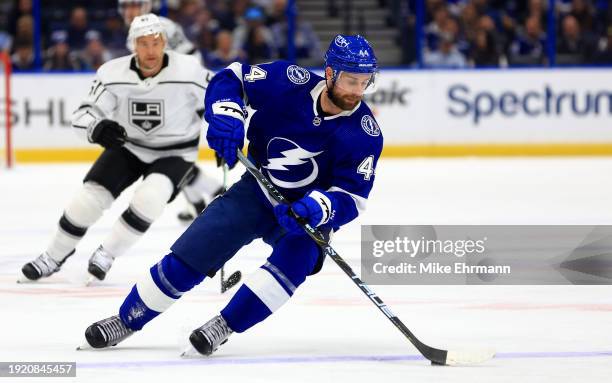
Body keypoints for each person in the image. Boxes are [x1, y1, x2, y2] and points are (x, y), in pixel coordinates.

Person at [82, 34, 383, 356]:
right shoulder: (288, 81)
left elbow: (352, 197)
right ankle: (127, 319)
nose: (357, 91)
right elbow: (232, 79)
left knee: (298, 260)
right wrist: (227, 114)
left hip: (303, 214)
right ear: (330, 74)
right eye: (351, 80)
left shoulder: (364, 135)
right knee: (196, 248)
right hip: (256, 190)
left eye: (365, 82)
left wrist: (318, 208)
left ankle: (225, 325)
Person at [21, 14, 214, 282]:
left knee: (150, 199)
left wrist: (225, 123)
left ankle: (107, 253)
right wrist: (97, 128)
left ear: (165, 43)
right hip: (130, 146)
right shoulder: (112, 73)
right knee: (86, 201)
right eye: (143, 43)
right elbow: (84, 113)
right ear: (132, 45)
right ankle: (53, 256)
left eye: (156, 43)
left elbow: (220, 95)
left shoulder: (189, 70)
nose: (150, 50)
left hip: (176, 152)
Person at [118, 0, 223, 222]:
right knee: (171, 153)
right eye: (126, 6)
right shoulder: (137, 30)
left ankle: (215, 191)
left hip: (184, 97)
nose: (130, 11)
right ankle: (199, 202)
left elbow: (190, 56)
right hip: (173, 98)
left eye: (135, 6)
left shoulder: (160, 26)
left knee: (168, 153)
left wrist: (191, 95)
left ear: (146, 7)